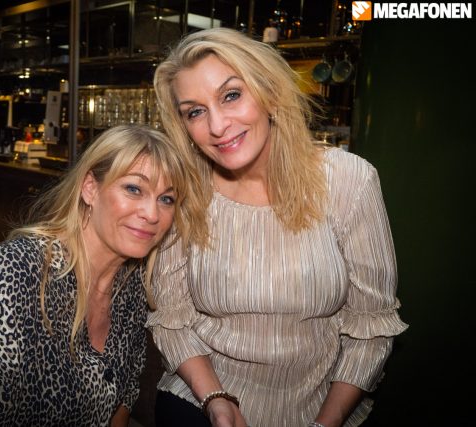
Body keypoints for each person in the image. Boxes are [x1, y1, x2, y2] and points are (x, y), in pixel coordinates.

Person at [146, 28, 409, 427]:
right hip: (202, 397)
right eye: (195, 112)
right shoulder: (184, 191)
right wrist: (216, 399)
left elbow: (371, 328)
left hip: (322, 404)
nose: (217, 125)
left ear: (268, 92)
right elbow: (172, 320)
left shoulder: (348, 181)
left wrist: (325, 423)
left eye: (231, 95)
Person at [0, 124, 208, 427]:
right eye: (133, 189)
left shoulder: (132, 282)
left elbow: (124, 394)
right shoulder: (16, 272)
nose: (152, 214)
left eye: (166, 199)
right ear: (90, 188)